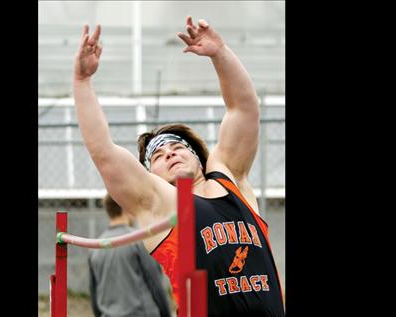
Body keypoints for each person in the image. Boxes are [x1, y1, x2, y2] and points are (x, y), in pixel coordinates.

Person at [74, 15, 285, 317]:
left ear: (199, 157)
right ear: (150, 175)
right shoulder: (160, 204)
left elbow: (244, 108)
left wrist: (220, 53)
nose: (170, 154)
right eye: (158, 156)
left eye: (178, 147)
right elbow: (103, 152)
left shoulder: (230, 179)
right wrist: (82, 83)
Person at [88, 194, 172, 317]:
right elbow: (155, 284)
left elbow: (94, 293)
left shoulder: (95, 247)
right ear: (125, 208)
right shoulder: (139, 240)